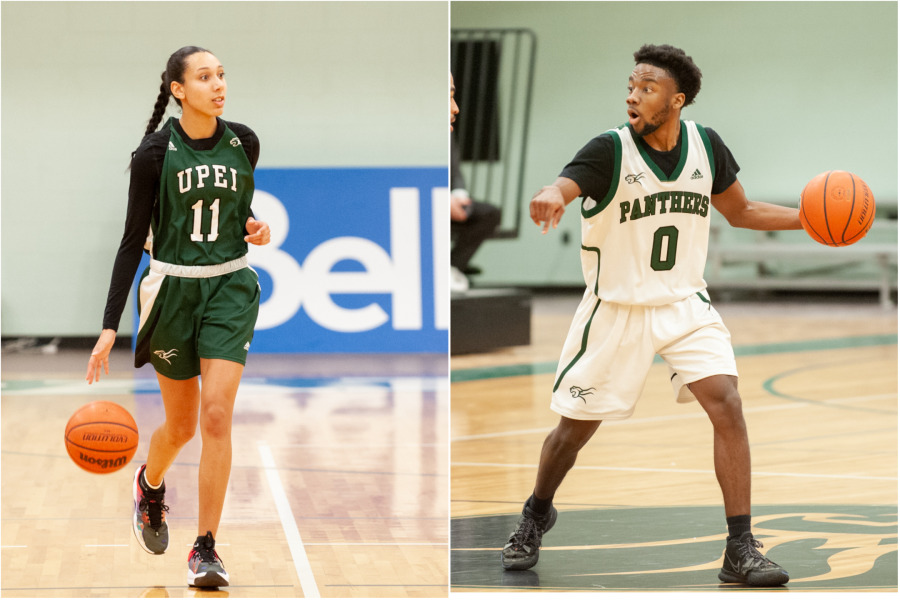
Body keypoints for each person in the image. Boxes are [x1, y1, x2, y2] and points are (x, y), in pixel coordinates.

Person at [501, 44, 796, 587]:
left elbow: (742, 210)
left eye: (648, 87)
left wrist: (813, 221)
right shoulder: (609, 149)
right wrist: (551, 194)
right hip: (617, 309)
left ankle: (740, 547)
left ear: (676, 99)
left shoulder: (707, 145)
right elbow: (565, 184)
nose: (633, 94)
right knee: (572, 432)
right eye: (631, 85)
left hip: (685, 302)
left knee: (727, 403)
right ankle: (536, 513)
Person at [85, 46, 271, 588]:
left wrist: (255, 226)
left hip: (231, 288)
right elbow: (129, 242)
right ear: (177, 89)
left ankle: (206, 547)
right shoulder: (154, 155)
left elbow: (232, 211)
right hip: (172, 291)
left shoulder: (245, 141)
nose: (219, 85)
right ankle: (150, 483)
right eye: (205, 77)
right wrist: (108, 327)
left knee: (216, 417)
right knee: (182, 425)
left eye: (221, 75)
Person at [450, 135, 501, 292]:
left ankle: (451, 267)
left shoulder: (448, 131)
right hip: (421, 197)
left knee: (489, 213)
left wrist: (459, 195)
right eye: (452, 108)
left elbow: (454, 169)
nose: (455, 109)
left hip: (451, 200)